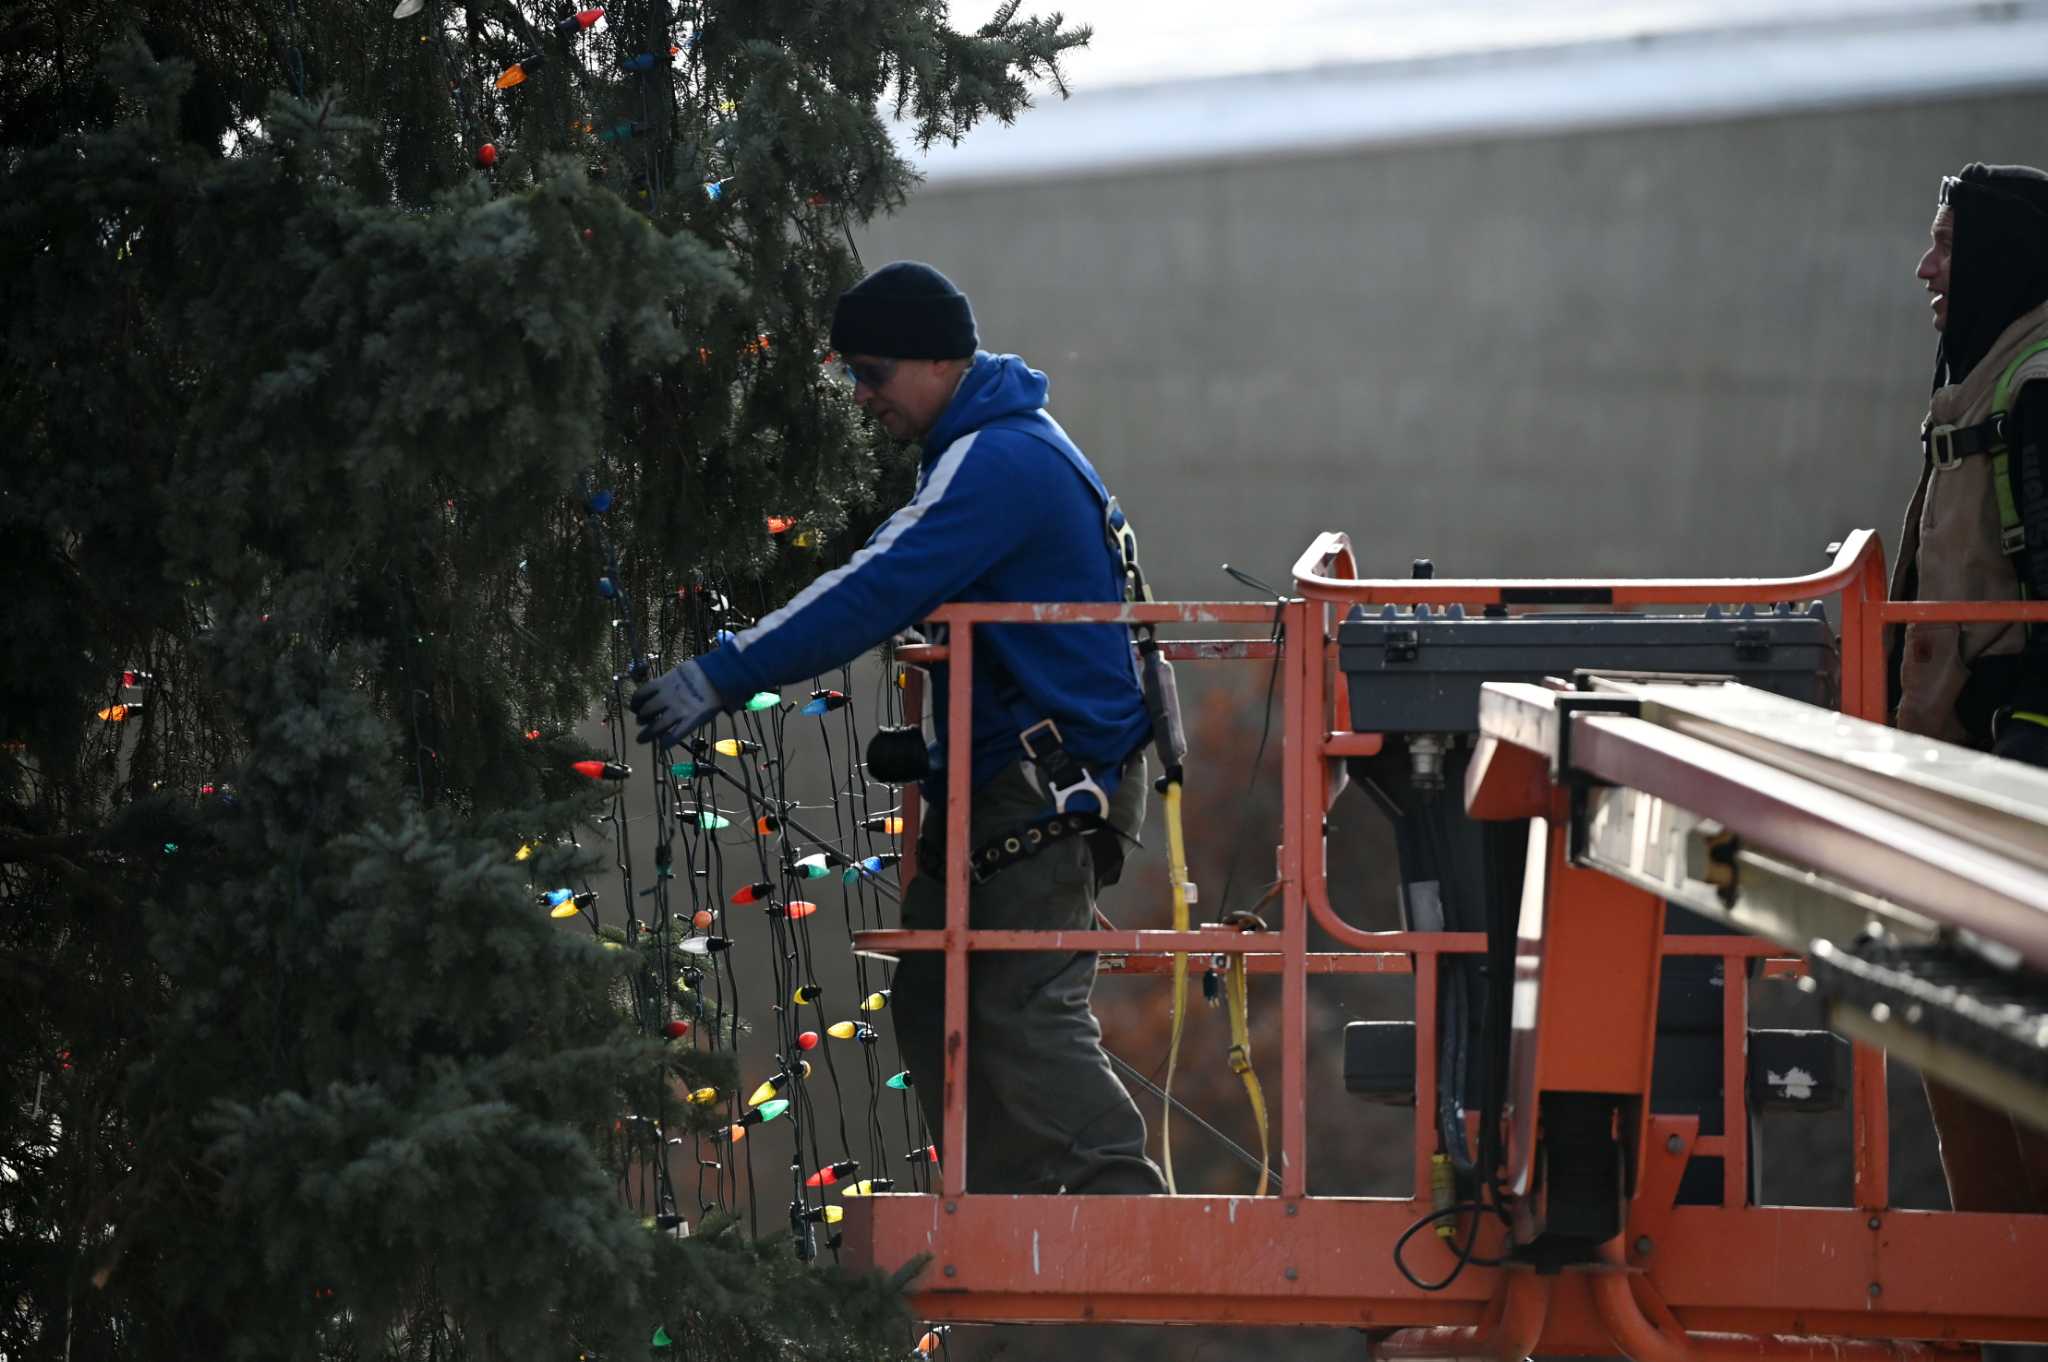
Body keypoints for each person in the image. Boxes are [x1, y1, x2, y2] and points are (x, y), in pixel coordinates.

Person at [631, 261, 1168, 1195]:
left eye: (871, 371)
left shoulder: (1000, 457)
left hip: (1051, 785)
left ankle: (1119, 1203)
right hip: (1031, 776)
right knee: (938, 998)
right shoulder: (999, 445)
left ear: (931, 359)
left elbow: (877, 585)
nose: (859, 394)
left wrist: (724, 671)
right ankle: (1008, 1212)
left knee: (1020, 1003)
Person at [1892, 163, 2048, 1218]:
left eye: (1944, 244)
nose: (1924, 269)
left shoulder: (2035, 389)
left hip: (2012, 784)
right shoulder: (1986, 379)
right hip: (1963, 780)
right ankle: (1997, 1265)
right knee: (1948, 1029)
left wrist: (2028, 739)